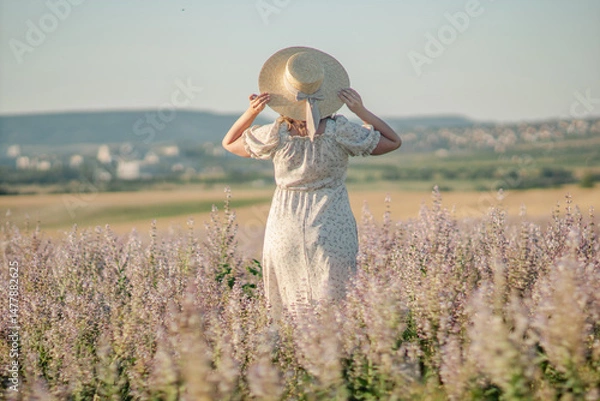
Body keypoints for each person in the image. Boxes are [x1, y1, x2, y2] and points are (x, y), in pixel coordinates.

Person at [222, 46, 401, 316]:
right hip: (332, 223)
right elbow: (392, 141)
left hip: (285, 226)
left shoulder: (276, 134)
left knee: (288, 308)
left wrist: (251, 112)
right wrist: (362, 111)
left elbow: (229, 143)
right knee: (334, 306)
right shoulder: (340, 130)